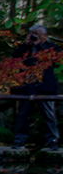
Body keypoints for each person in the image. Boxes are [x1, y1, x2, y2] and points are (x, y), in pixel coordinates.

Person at [11, 21, 62, 151]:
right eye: (32, 34)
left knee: (49, 116)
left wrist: (39, 45)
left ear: (44, 36)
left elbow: (54, 58)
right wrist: (26, 44)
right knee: (22, 115)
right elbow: (14, 57)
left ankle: (53, 142)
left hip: (45, 88)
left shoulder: (51, 47)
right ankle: (18, 142)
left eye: (37, 34)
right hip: (27, 87)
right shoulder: (26, 49)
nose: (34, 36)